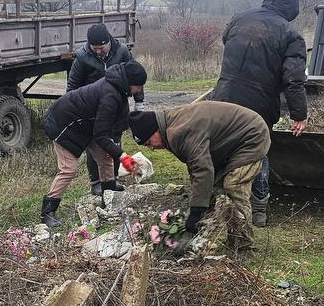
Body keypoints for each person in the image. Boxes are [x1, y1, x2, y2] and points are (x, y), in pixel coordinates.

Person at [210, 0, 308, 228]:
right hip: (259, 105)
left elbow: (226, 42)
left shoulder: (239, 19)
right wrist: (299, 114)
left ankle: (218, 201)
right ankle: (259, 209)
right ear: (292, 7)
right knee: (258, 153)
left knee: (223, 147)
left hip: (223, 98)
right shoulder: (290, 34)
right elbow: (293, 80)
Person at [128, 101, 270, 252]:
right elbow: (195, 164)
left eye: (149, 142)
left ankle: (242, 246)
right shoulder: (168, 125)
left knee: (233, 186)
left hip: (251, 135)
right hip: (230, 141)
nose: (152, 148)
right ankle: (220, 236)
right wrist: (199, 203)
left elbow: (202, 169)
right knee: (214, 189)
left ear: (155, 130)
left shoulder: (180, 131)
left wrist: (196, 211)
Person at [40, 61, 147, 228]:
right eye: (138, 86)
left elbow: (110, 128)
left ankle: (109, 196)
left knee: (106, 158)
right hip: (63, 123)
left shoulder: (118, 90)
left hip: (86, 126)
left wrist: (116, 150)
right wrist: (123, 156)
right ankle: (48, 211)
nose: (139, 90)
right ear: (130, 82)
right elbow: (101, 135)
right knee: (69, 169)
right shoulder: (110, 95)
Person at [67, 24, 145, 197]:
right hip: (92, 109)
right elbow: (72, 86)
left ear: (108, 42)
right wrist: (77, 110)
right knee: (95, 145)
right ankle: (96, 182)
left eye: (101, 48)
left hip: (117, 107)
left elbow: (136, 75)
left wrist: (139, 103)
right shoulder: (82, 57)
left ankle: (113, 179)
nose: (98, 52)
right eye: (94, 49)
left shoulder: (122, 51)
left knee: (114, 142)